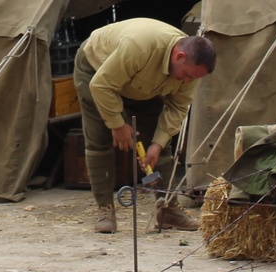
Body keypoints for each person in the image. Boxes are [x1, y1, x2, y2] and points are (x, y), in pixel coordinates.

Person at [73, 18, 216, 234]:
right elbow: (101, 85)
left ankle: (168, 208)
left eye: (192, 78)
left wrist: (157, 144)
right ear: (179, 56)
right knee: (99, 138)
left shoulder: (191, 71)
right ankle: (105, 209)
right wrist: (117, 125)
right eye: (186, 75)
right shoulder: (139, 47)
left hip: (143, 83)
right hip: (97, 70)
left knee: (162, 143)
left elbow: (177, 108)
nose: (187, 82)